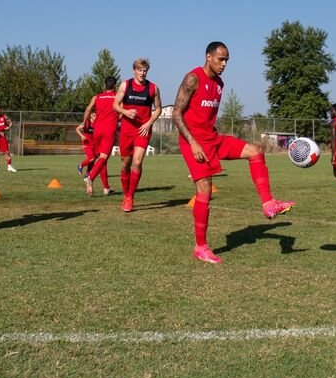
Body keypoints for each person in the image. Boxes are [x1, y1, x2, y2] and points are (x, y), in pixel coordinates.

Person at [173, 41, 295, 264]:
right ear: (208, 57)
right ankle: (200, 247)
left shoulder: (219, 83)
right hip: (193, 141)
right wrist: (192, 143)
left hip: (212, 138)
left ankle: (268, 204)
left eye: (227, 60)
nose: (224, 64)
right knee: (204, 190)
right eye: (221, 59)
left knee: (255, 151)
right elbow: (176, 114)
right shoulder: (193, 78)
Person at [113, 58, 162, 212]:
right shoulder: (125, 85)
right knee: (126, 163)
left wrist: (149, 123)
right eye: (139, 70)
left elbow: (159, 108)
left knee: (137, 162)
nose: (142, 73)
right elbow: (115, 105)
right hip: (127, 130)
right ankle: (126, 193)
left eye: (145, 70)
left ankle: (130, 197)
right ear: (134, 70)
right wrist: (125, 111)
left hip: (143, 130)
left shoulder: (153, 88)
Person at [81, 76, 120, 197]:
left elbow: (88, 109)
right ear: (115, 86)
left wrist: (84, 122)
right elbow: (123, 111)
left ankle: (106, 188)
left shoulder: (97, 97)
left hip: (97, 131)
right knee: (103, 158)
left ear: (105, 85)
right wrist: (117, 118)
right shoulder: (117, 97)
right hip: (109, 131)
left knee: (102, 160)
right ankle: (90, 178)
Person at [76, 111, 113, 195]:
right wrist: (82, 136)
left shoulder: (98, 124)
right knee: (92, 158)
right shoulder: (86, 123)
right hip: (87, 145)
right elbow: (77, 129)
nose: (95, 116)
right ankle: (81, 165)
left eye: (96, 115)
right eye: (94, 115)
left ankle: (88, 176)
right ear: (90, 116)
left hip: (95, 145)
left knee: (98, 162)